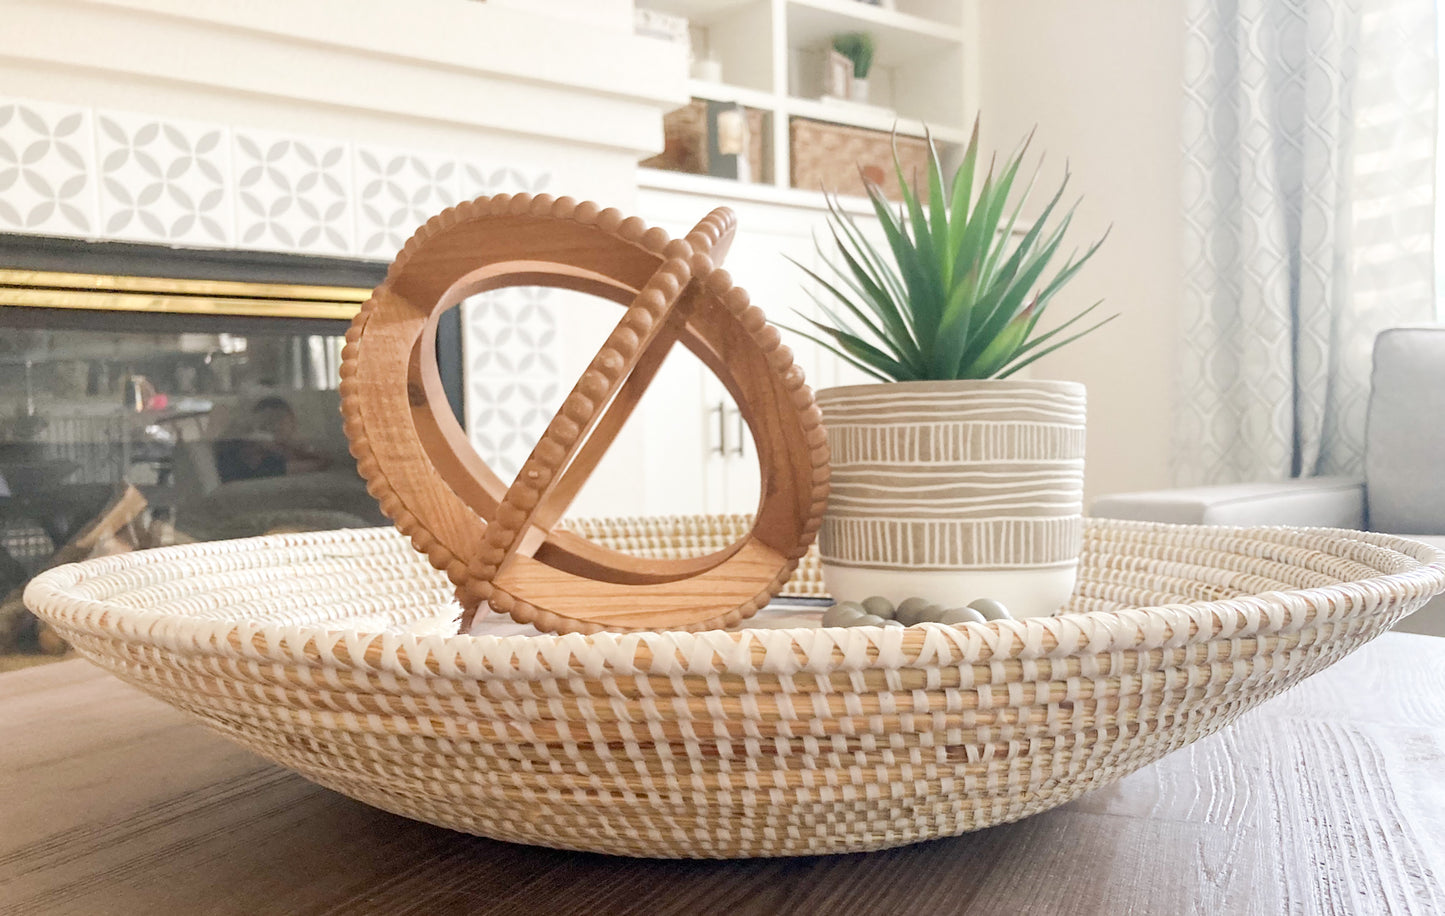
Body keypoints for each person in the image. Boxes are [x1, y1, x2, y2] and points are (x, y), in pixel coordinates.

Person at [214, 396, 331, 483]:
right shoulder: (254, 456)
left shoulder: (276, 455)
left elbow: (323, 461)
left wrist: (292, 447)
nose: (273, 427)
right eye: (266, 423)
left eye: (278, 421)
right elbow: (320, 463)